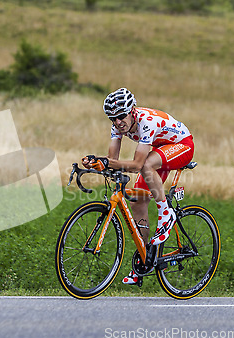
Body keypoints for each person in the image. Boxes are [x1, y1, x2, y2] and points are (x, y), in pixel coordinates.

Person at [82, 88, 194, 285]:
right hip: (159, 150)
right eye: (112, 119)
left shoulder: (146, 121)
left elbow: (136, 165)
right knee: (138, 204)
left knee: (147, 164)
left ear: (132, 110)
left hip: (182, 145)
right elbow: (112, 160)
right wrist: (97, 163)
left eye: (120, 116)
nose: (117, 122)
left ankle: (166, 214)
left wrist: (108, 163)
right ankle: (145, 261)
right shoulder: (117, 126)